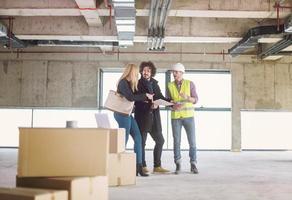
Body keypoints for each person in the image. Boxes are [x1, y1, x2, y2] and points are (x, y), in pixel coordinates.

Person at [113, 63, 153, 177]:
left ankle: (138, 167)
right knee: (123, 141)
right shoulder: (123, 82)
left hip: (127, 113)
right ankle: (118, 165)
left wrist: (146, 96)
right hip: (121, 114)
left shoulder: (131, 83)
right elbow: (130, 97)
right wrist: (145, 96)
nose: (138, 74)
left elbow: (135, 96)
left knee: (138, 138)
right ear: (131, 71)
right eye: (136, 72)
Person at [134, 61, 170, 174]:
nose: (146, 72)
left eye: (148, 71)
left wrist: (171, 102)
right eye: (144, 70)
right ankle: (142, 165)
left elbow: (160, 97)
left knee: (160, 140)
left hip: (154, 117)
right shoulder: (137, 83)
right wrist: (150, 104)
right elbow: (136, 100)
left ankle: (157, 166)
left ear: (152, 72)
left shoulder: (154, 83)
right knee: (142, 143)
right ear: (141, 71)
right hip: (143, 117)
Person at [166, 62, 199, 174]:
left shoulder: (190, 84)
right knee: (176, 142)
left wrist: (187, 97)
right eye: (173, 72)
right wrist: (172, 106)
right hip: (175, 117)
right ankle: (178, 164)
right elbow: (167, 102)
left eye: (176, 72)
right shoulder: (169, 85)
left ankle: (193, 163)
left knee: (192, 142)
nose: (174, 74)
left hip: (188, 117)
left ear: (181, 72)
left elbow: (196, 100)